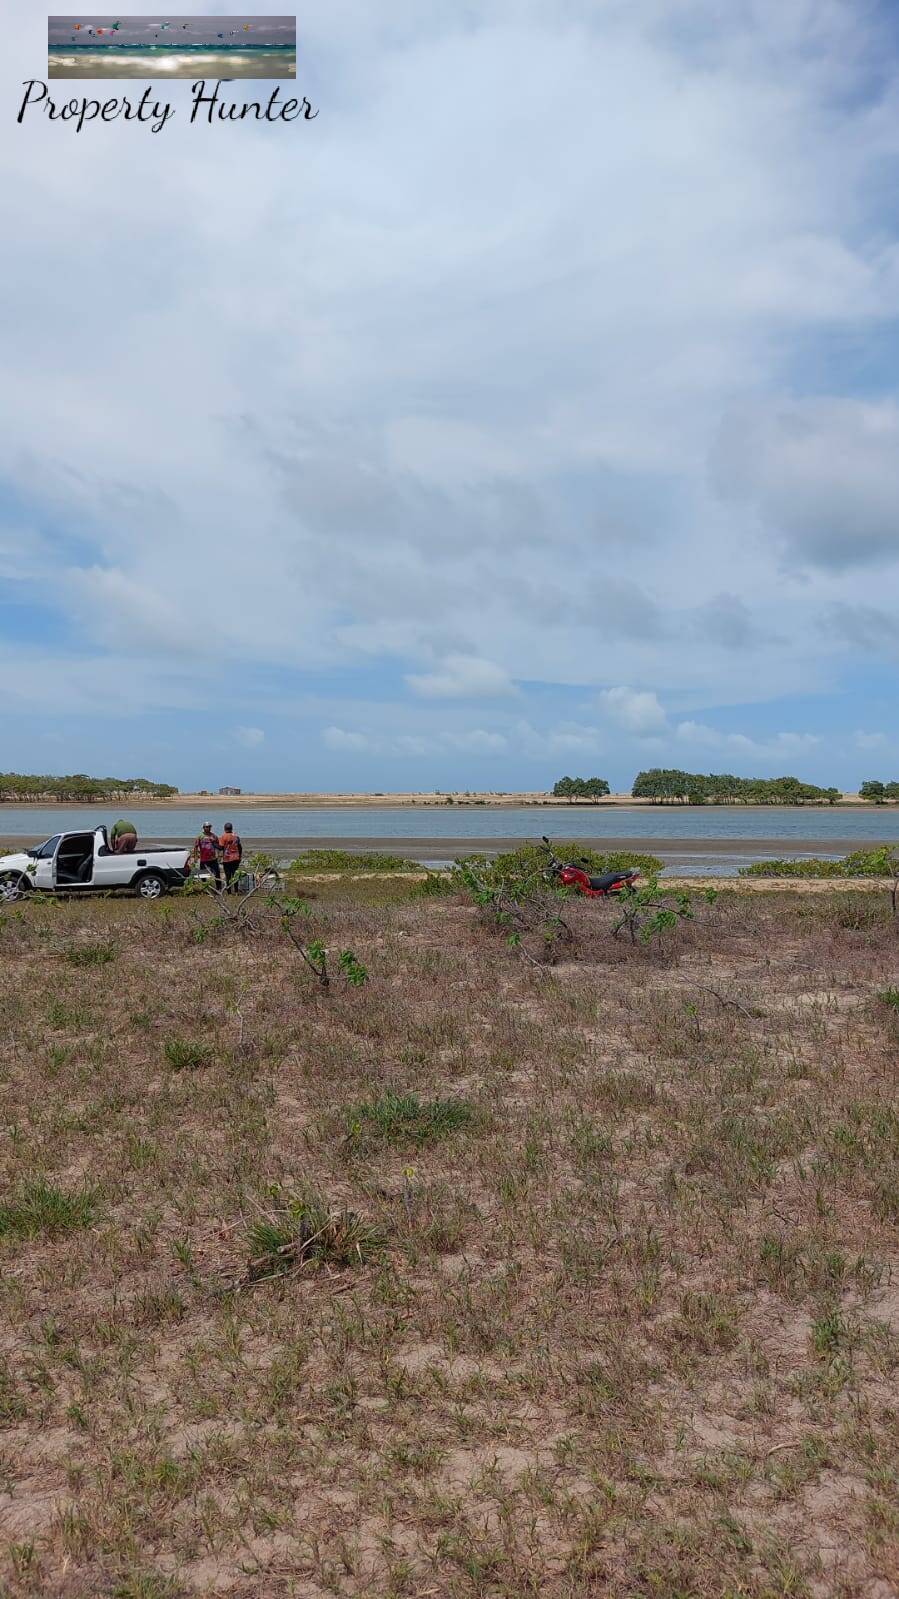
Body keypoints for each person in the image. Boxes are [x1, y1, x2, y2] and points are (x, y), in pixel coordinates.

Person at [189, 822, 222, 887]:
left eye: (209, 827)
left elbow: (218, 846)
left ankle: (219, 887)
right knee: (203, 875)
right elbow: (196, 847)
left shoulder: (214, 836)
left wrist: (219, 855)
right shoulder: (200, 836)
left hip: (213, 859)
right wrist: (195, 857)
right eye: (206, 827)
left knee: (217, 873)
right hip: (204, 859)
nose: (208, 828)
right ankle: (205, 887)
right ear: (203, 828)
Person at [219, 822, 243, 892]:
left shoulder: (223, 836)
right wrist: (240, 856)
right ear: (232, 828)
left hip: (227, 859)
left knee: (228, 876)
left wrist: (214, 844)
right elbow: (240, 847)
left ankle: (229, 891)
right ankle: (236, 891)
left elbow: (221, 848)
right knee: (235, 875)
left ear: (224, 829)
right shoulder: (236, 836)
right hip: (236, 858)